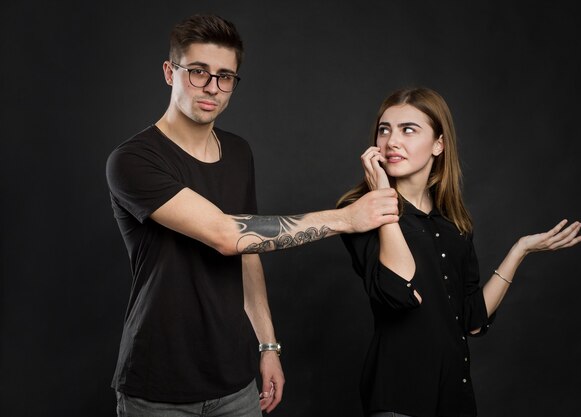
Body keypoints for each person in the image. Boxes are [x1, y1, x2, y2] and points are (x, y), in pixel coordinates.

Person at [105, 13, 399, 417]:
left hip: (234, 381)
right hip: (158, 383)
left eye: (225, 76)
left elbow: (248, 253)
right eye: (198, 72)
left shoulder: (239, 152)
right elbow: (228, 235)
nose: (212, 87)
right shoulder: (133, 160)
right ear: (169, 72)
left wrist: (268, 346)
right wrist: (346, 218)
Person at [337, 87, 581, 417]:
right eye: (385, 129)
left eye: (408, 129)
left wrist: (520, 251)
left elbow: (471, 321)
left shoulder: (455, 225)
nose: (392, 141)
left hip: (455, 397)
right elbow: (399, 291)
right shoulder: (361, 210)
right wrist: (383, 194)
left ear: (438, 144)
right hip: (398, 397)